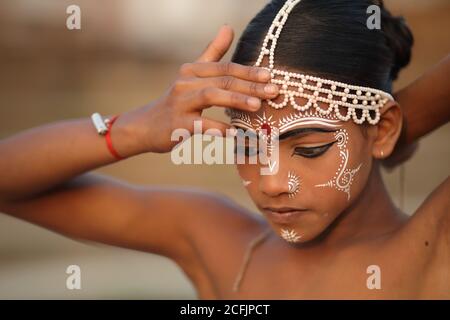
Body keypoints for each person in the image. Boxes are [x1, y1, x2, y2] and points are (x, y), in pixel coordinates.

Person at [0, 0, 448, 299]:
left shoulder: (431, 253)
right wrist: (135, 130)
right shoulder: (219, 241)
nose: (271, 183)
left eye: (309, 149)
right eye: (249, 145)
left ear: (382, 128)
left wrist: (404, 123)